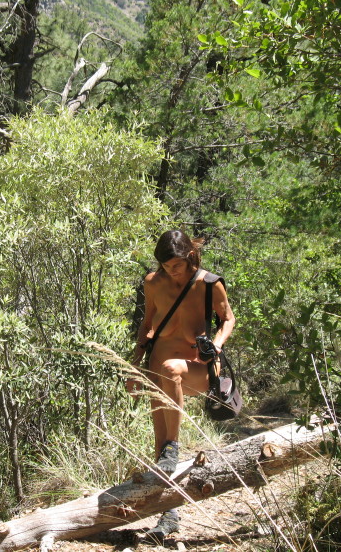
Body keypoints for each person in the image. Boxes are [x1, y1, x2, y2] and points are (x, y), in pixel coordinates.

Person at [127, 230, 235, 541]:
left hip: (195, 367)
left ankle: (173, 448)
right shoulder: (153, 283)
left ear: (189, 256)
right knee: (159, 445)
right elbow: (147, 324)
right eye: (165, 266)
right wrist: (134, 365)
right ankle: (169, 514)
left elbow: (228, 319)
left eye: (175, 265)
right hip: (158, 367)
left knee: (171, 370)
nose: (170, 271)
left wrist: (216, 344)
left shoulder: (208, 283)